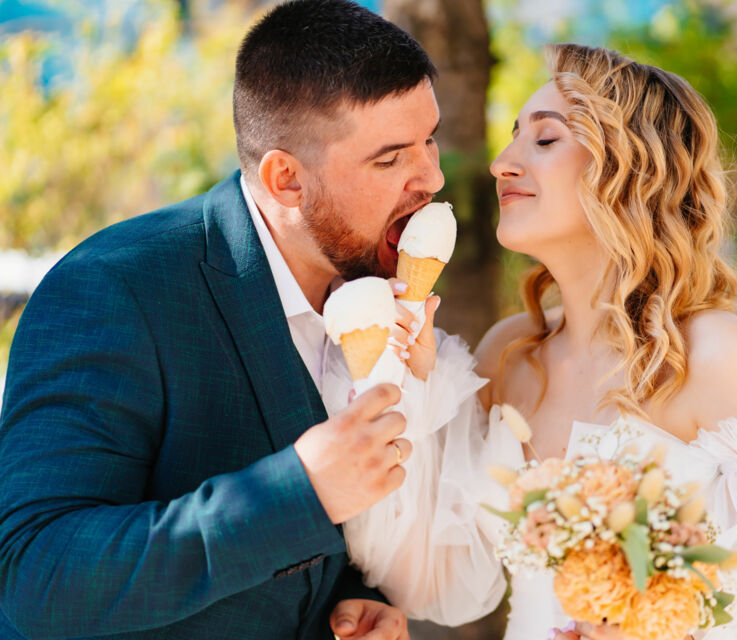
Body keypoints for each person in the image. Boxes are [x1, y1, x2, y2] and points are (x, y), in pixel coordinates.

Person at [337, 43, 737, 639]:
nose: (502, 162)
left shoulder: (714, 356)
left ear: (629, 169)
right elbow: (439, 581)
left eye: (545, 139)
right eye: (512, 136)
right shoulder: (509, 355)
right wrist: (412, 380)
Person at [0, 1, 441, 638]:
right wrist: (298, 493)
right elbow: (35, 573)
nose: (431, 177)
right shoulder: (114, 289)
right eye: (391, 158)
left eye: (429, 139)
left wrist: (345, 595)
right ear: (287, 179)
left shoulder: (373, 281)